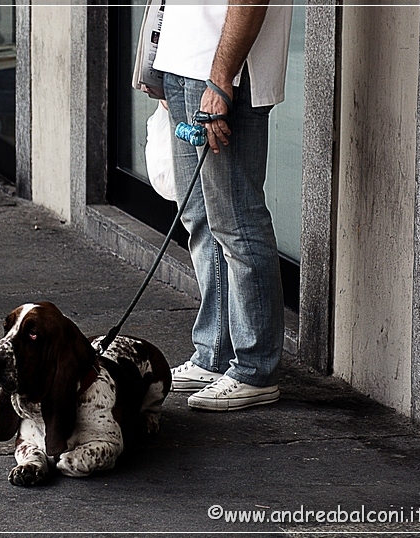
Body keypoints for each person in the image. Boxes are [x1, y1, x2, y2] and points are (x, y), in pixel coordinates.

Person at [151, 0, 293, 410]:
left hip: (226, 73)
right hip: (184, 64)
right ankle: (214, 353)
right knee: (199, 217)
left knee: (237, 221)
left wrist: (220, 78)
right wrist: (158, 62)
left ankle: (255, 369)